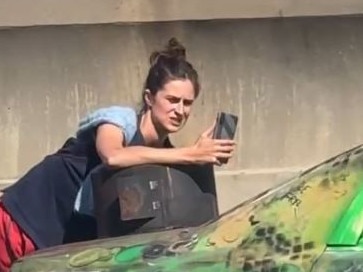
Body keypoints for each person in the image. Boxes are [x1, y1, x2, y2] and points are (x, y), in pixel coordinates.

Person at [0, 37, 236, 271]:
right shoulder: (118, 119)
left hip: (57, 247)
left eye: (187, 103)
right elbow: (113, 156)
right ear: (149, 98)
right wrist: (190, 155)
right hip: (22, 222)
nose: (180, 110)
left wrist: (197, 166)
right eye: (172, 100)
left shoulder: (165, 156)